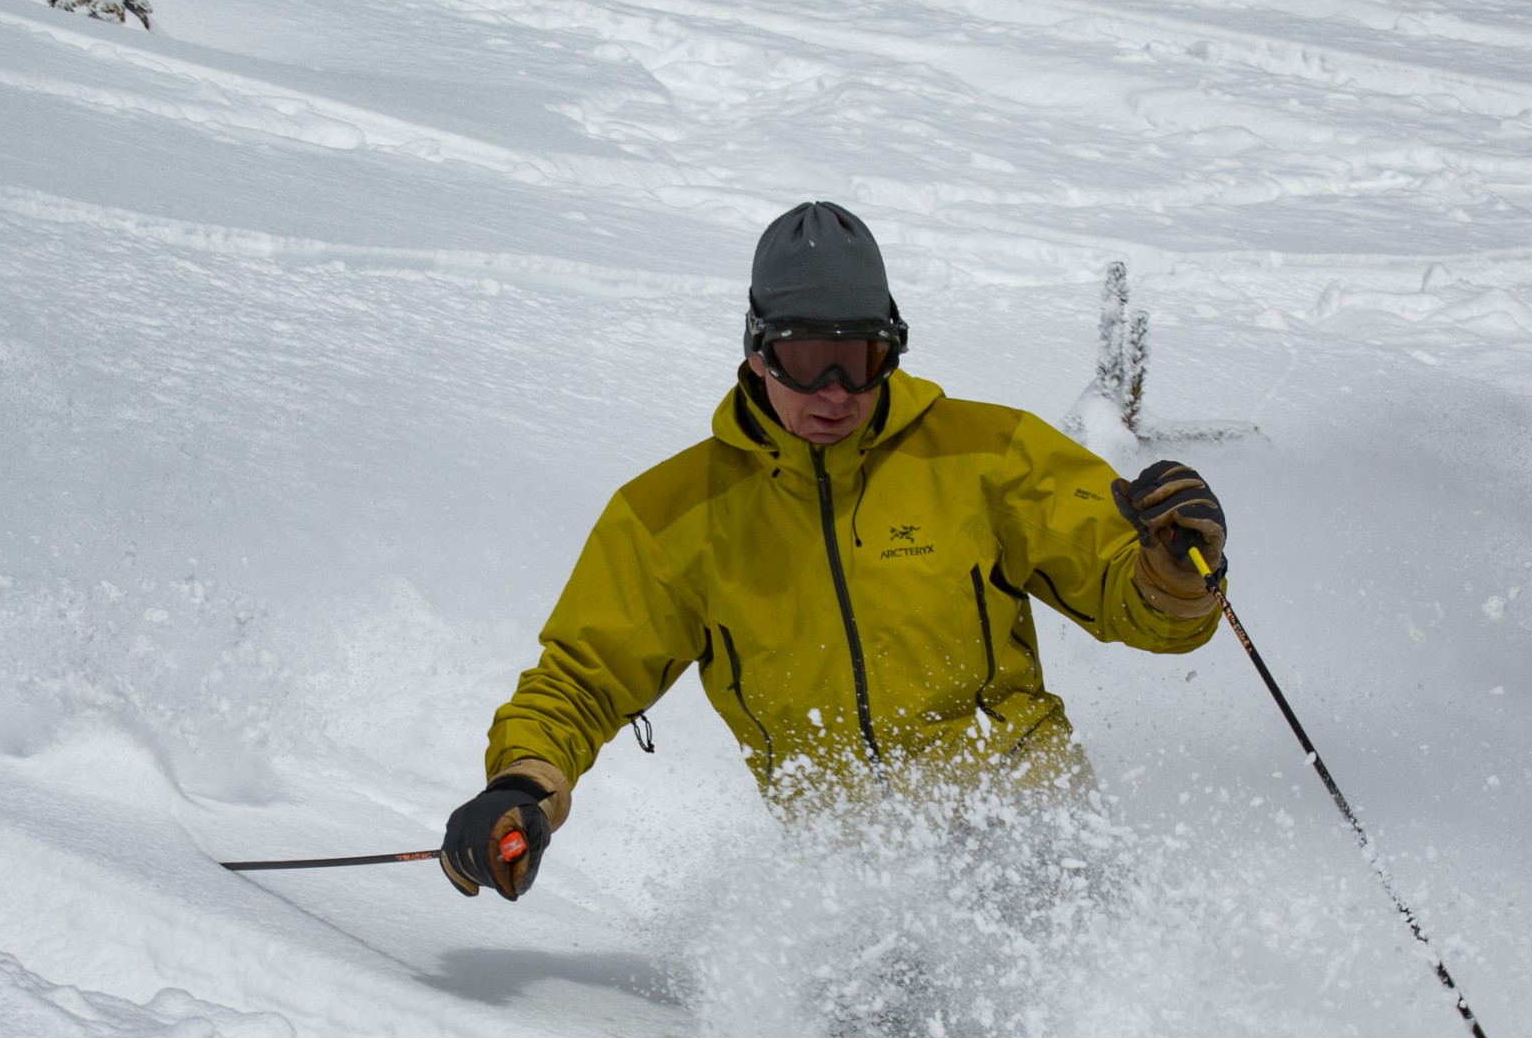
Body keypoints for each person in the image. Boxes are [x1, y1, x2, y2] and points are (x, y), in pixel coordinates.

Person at [440, 201, 1227, 902]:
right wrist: (522, 785)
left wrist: (1174, 570)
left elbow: (1152, 614)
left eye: (860, 360)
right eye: (804, 360)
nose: (835, 393)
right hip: (856, 883)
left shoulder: (990, 456)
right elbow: (581, 679)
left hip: (1032, 834)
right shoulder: (675, 516)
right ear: (756, 352)